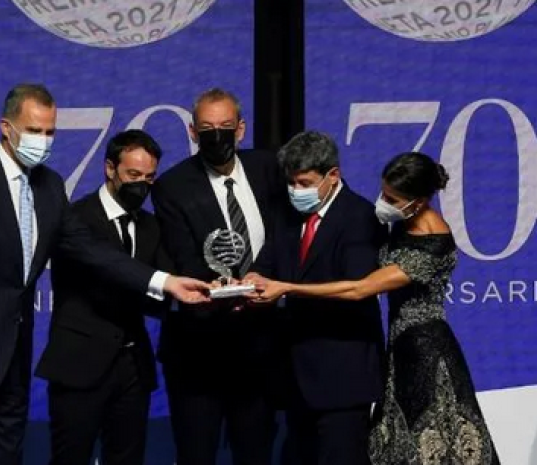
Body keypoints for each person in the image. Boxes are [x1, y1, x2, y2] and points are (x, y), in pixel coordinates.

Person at [0, 83, 210, 465]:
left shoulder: (51, 187)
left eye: (50, 132)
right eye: (34, 131)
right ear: (6, 128)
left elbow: (93, 251)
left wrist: (165, 281)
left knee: (7, 455)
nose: (43, 140)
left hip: (15, 357)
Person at [250, 152, 500, 465]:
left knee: (432, 448)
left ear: (418, 201)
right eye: (382, 192)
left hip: (427, 352)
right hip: (398, 347)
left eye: (391, 198)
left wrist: (288, 287)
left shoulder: (433, 240)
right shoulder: (402, 222)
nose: (381, 201)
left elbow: (360, 288)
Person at [151, 88, 286, 465]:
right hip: (200, 348)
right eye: (207, 128)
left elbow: (283, 234)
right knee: (197, 453)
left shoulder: (269, 168)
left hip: (260, 344)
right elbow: (183, 255)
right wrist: (227, 291)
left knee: (256, 452)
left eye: (225, 127)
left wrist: (263, 277)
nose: (216, 135)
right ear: (193, 133)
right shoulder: (172, 186)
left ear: (240, 129)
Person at [243, 131, 386, 465]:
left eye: (304, 182)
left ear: (332, 175)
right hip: (295, 374)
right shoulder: (288, 213)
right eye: (291, 182)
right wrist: (249, 280)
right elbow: (270, 258)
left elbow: (354, 287)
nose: (296, 191)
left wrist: (286, 288)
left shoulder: (360, 217)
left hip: (342, 373)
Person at [34, 129, 171, 465]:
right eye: (133, 175)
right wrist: (160, 283)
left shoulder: (153, 226)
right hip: (80, 362)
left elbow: (161, 296)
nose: (142, 185)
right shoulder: (76, 220)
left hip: (132, 367)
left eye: (150, 178)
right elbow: (108, 276)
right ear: (110, 168)